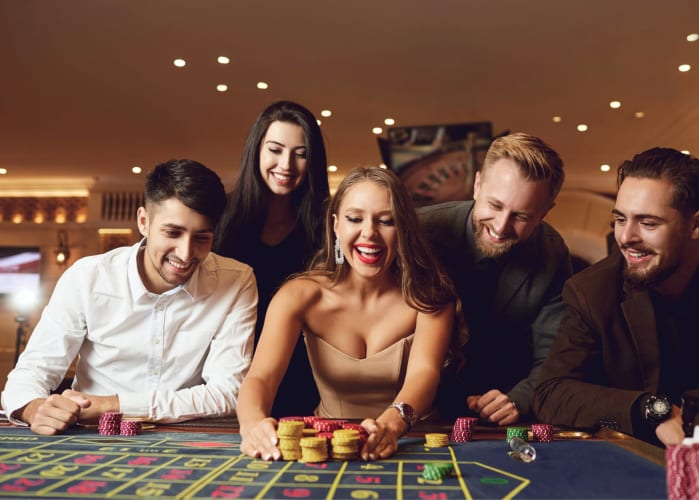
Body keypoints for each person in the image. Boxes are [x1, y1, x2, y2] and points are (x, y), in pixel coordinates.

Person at [1, 159, 258, 435]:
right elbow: (30, 373)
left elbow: (229, 393)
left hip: (185, 437)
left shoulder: (236, 281)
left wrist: (112, 405)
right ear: (144, 222)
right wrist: (34, 408)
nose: (185, 253)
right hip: (90, 435)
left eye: (201, 238)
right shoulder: (87, 277)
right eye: (172, 232)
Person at [237, 166, 464, 461]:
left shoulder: (429, 297)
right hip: (329, 447)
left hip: (413, 442)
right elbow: (261, 377)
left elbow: (424, 373)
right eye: (354, 219)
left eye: (386, 221)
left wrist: (393, 424)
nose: (369, 232)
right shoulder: (298, 295)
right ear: (335, 226)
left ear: (403, 229)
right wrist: (252, 424)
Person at [533, 147, 699, 446]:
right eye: (620, 220)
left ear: (697, 224)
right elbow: (552, 393)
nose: (626, 237)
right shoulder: (592, 292)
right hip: (651, 462)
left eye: (648, 223)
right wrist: (651, 410)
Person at [417, 132, 572, 425]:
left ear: (544, 214)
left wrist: (521, 397)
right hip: (416, 410)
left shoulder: (552, 252)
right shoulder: (421, 231)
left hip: (501, 412)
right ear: (477, 185)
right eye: (495, 205)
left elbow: (554, 354)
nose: (501, 227)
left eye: (522, 216)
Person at [213, 100, 329, 417]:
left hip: (306, 379)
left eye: (300, 154)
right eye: (275, 150)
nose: (286, 164)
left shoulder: (327, 225)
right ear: (257, 151)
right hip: (228, 375)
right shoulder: (221, 217)